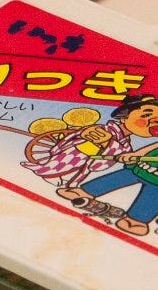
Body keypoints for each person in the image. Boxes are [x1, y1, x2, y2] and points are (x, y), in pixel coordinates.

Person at [55, 93, 158, 236]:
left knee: (152, 195)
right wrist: (134, 155)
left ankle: (136, 220)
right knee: (120, 177)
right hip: (141, 166)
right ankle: (85, 191)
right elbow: (151, 147)